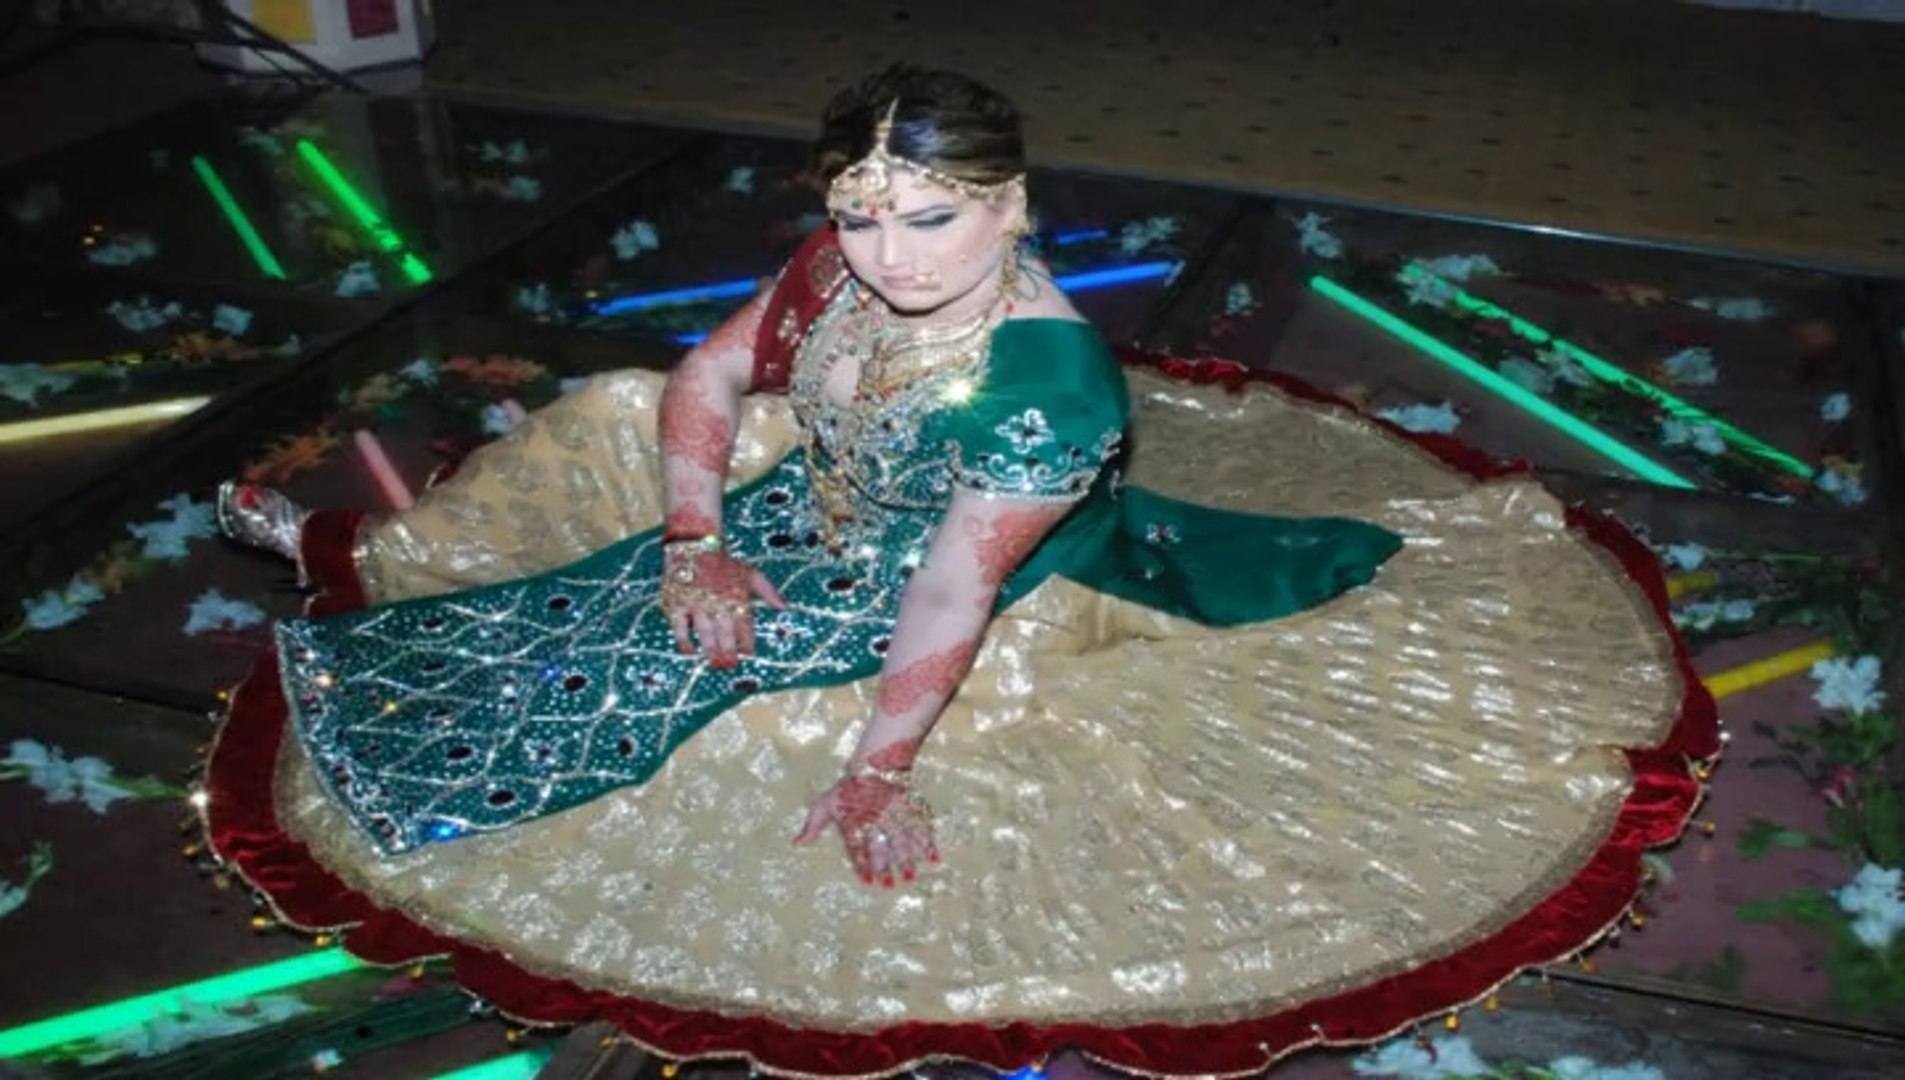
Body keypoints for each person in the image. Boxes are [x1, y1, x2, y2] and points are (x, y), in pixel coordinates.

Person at [205, 66, 1714, 1076]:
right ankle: (369, 548)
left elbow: (948, 590)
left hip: (978, 571)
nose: (892, 255)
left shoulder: (1050, 385)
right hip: (823, 488)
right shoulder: (839, 259)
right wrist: (695, 536)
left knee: (712, 686)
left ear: (1012, 206)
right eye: (860, 216)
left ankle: (445, 628)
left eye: (933, 218)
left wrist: (879, 767)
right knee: (612, 422)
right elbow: (706, 378)